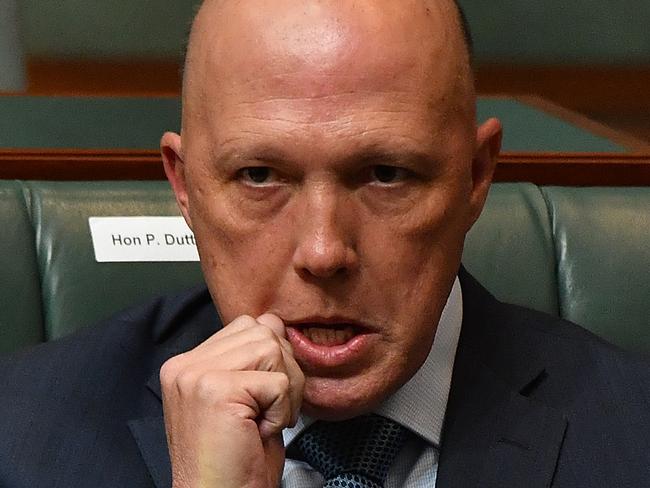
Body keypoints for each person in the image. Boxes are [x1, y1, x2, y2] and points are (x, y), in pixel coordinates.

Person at [1, 0, 649, 487]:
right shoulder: (24, 435)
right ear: (186, 187)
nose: (322, 252)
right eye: (259, 176)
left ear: (475, 177)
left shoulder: (632, 436)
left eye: (386, 175)